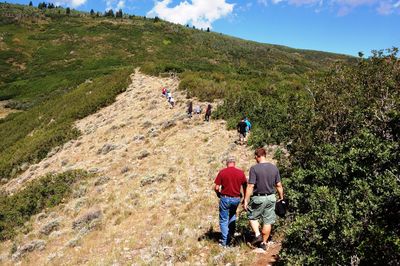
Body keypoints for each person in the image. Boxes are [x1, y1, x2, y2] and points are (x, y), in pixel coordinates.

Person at [243, 148, 284, 251]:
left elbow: (251, 186)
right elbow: (278, 185)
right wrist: (281, 198)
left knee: (251, 216)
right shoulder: (274, 168)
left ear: (258, 156)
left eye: (255, 157)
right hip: (271, 197)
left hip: (258, 197)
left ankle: (257, 235)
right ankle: (264, 243)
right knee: (268, 221)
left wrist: (246, 200)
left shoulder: (254, 168)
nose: (255, 159)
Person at [214, 156, 247, 247]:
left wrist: (218, 193)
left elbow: (216, 187)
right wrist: (245, 197)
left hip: (225, 198)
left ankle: (225, 241)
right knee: (232, 216)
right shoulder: (240, 173)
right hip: (236, 199)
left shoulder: (222, 172)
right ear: (234, 163)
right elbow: (245, 185)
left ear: (226, 163)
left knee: (223, 219)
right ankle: (231, 237)